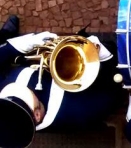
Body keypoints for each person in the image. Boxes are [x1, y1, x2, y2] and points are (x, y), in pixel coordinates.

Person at [0, 16, 121, 147]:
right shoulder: (81, 112)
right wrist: (100, 51)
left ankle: (4, 36)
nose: (19, 88)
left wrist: (20, 45)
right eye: (25, 95)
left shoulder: (4, 92)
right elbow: (115, 87)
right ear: (37, 115)